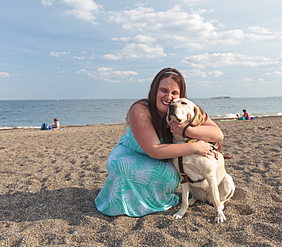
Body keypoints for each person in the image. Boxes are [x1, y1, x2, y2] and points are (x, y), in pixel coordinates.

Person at [94, 68, 224, 217]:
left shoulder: (185, 108)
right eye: (163, 90)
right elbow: (154, 150)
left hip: (162, 157)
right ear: (155, 90)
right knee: (124, 168)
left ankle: (153, 200)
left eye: (174, 93)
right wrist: (195, 146)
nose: (169, 97)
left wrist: (186, 131)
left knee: (170, 177)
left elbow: (218, 134)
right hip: (132, 153)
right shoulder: (140, 109)